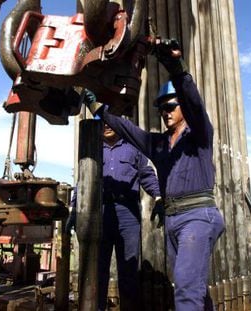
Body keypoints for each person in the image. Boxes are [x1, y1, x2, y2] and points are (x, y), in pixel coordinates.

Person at [83, 38, 226, 310]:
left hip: (197, 216)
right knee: (193, 286)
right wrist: (97, 108)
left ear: (182, 107)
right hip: (174, 219)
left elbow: (194, 103)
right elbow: (128, 131)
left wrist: (177, 68)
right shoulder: (159, 145)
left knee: (185, 289)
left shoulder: (199, 136)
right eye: (161, 108)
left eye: (170, 106)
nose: (165, 112)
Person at [67, 123, 162, 311]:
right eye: (102, 123)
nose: (106, 126)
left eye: (110, 122)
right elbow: (82, 181)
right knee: (97, 268)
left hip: (127, 212)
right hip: (100, 213)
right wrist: (73, 207)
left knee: (128, 269)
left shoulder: (133, 147)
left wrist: (158, 196)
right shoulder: (94, 149)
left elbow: (146, 175)